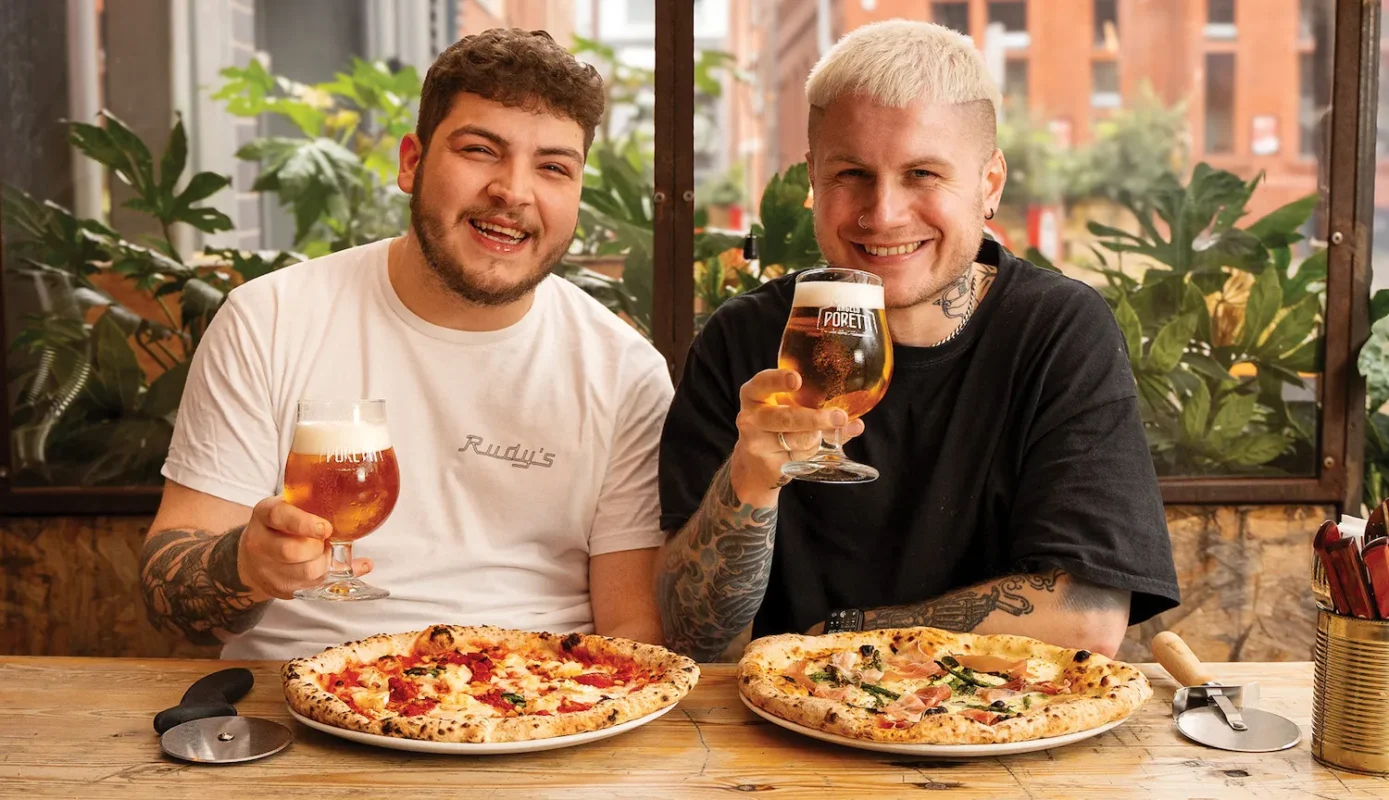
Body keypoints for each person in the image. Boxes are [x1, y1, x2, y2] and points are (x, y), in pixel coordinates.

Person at [656, 20, 1180, 663]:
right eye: (851, 173)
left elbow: (1087, 619)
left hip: (995, 734)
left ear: (989, 184)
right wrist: (748, 485)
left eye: (923, 173)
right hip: (779, 741)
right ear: (812, 180)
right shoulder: (742, 340)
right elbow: (693, 639)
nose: (883, 214)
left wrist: (832, 640)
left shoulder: (1058, 330)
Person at [140, 29, 669, 659]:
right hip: (296, 701)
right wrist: (242, 567)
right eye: (481, 150)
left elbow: (633, 631)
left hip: (544, 707)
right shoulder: (270, 318)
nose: (514, 191)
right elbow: (167, 597)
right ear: (412, 162)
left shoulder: (623, 367)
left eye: (553, 166)